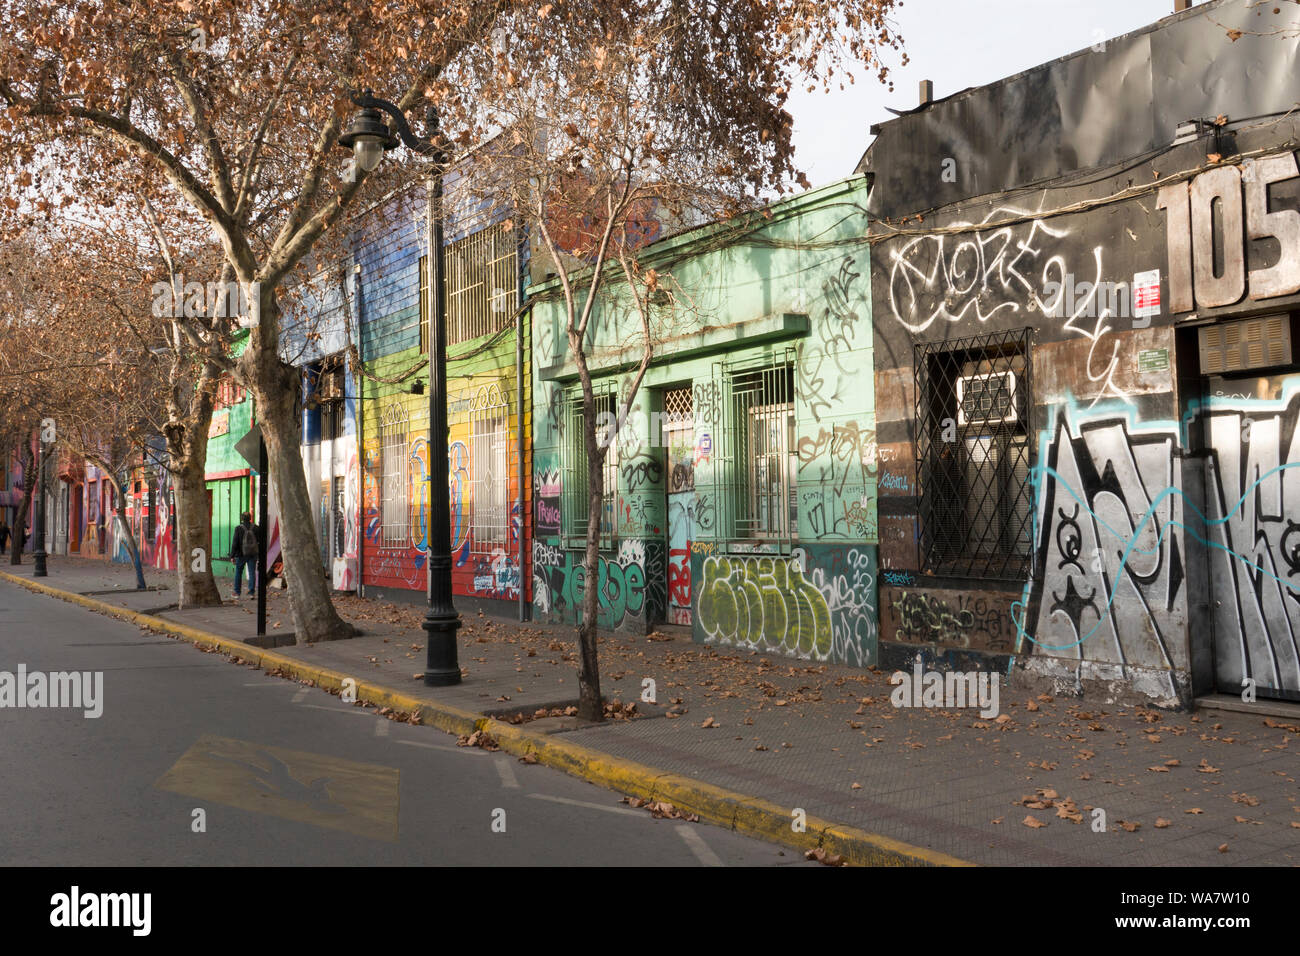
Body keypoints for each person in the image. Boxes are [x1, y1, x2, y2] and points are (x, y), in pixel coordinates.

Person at [229, 511, 260, 598]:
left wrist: (232, 556)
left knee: (238, 572)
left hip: (241, 554)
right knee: (252, 573)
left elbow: (235, 543)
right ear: (250, 518)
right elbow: (259, 542)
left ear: (242, 518)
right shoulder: (256, 528)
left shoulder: (238, 528)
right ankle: (251, 593)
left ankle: (237, 593)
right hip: (253, 554)